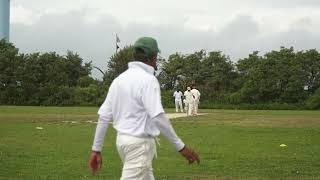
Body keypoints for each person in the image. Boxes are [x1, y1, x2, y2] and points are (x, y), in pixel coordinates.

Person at [88, 37, 200, 180]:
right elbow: (157, 116)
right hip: (139, 145)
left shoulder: (119, 80)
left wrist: (96, 149)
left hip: (123, 142)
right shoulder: (148, 80)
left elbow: (104, 116)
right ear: (154, 57)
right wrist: (181, 147)